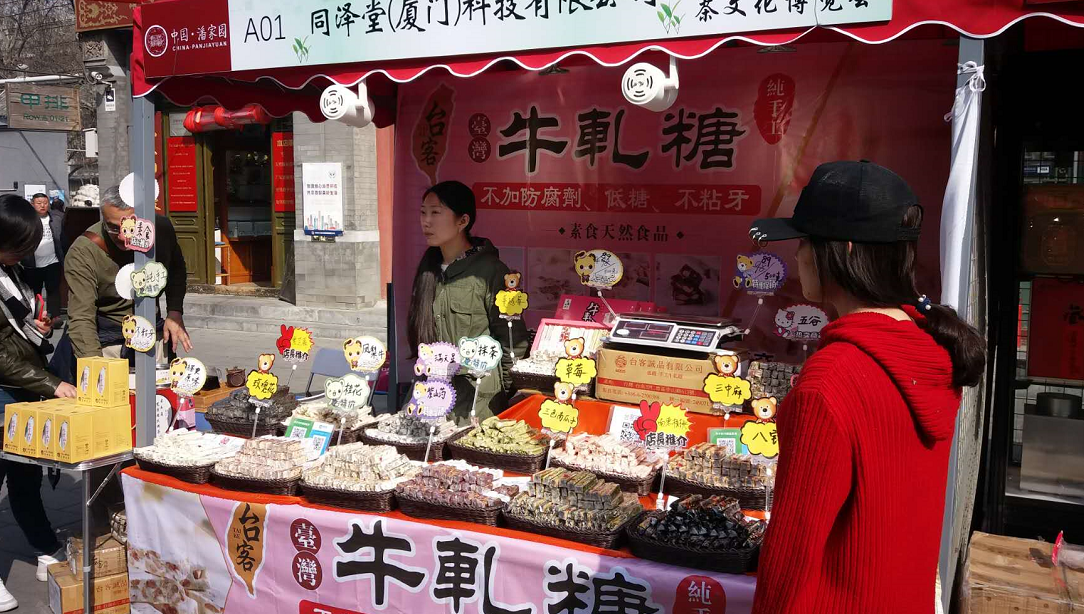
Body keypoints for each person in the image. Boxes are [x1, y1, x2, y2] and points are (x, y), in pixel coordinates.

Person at [746, 161, 985, 614]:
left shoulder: (831, 379)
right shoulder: (931, 349)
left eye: (804, 241)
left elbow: (792, 552)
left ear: (844, 250)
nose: (797, 256)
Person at [0, 195, 78, 610]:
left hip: (24, 387)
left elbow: (17, 328)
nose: (26, 253)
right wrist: (51, 383)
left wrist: (39, 327)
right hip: (6, 390)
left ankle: (43, 545)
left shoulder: (11, 270)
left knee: (25, 473)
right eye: (19, 246)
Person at [407, 181, 528, 423]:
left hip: (477, 403)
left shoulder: (491, 271)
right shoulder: (428, 270)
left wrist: (501, 392)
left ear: (462, 221)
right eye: (423, 212)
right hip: (433, 396)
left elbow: (512, 341)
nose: (426, 221)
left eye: (435, 212)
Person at [61, 185, 191, 363]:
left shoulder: (161, 230)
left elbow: (176, 270)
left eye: (132, 227)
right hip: (107, 341)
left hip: (152, 332)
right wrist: (96, 366)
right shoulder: (84, 251)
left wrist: (175, 311)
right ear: (103, 218)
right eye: (113, 228)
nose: (123, 237)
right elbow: (81, 316)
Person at [20, 193, 64, 326]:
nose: (42, 206)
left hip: (53, 261)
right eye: (39, 203)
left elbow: (63, 238)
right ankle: (37, 316)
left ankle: (55, 316)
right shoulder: (26, 220)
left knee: (53, 290)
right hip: (32, 264)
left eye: (45, 203)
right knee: (35, 292)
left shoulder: (56, 219)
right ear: (32, 204)